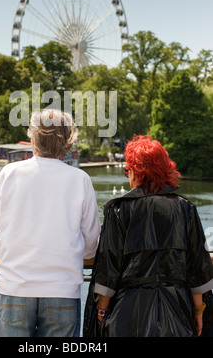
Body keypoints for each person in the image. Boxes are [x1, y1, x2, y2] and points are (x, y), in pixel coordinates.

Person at [0, 109, 100, 337]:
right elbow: (92, 242)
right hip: (63, 290)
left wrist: (5, 252)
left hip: (16, 286)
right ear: (67, 142)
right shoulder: (80, 180)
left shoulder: (10, 173)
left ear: (33, 139)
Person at [83, 134, 213, 337]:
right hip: (177, 309)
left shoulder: (119, 211)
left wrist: (100, 311)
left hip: (127, 313)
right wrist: (198, 312)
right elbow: (198, 268)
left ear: (136, 172)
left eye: (128, 170)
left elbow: (109, 267)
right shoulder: (185, 209)